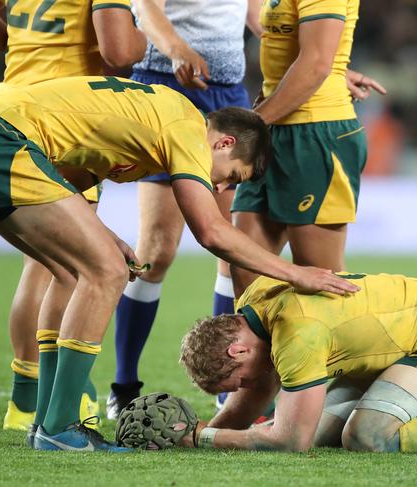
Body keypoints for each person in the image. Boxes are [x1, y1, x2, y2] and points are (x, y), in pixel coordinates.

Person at [0, 75, 358, 451]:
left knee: (69, 272)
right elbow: (210, 232)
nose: (220, 185)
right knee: (107, 272)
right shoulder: (190, 129)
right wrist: (294, 272)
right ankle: (61, 426)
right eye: (232, 176)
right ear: (224, 143)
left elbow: (66, 175)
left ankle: (45, 422)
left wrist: (104, 237)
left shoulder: (153, 128)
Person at [0, 0, 147, 432]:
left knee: (43, 268)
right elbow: (120, 53)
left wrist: (30, 47)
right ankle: (57, 396)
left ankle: (26, 398)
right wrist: (143, 38)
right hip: (64, 120)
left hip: (9, 106)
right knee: (72, 270)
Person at [179, 272, 417, 452]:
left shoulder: (297, 334)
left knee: (365, 436)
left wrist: (204, 436)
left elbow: (290, 442)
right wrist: (196, 435)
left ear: (237, 350)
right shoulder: (255, 302)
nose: (247, 389)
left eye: (238, 381)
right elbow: (269, 402)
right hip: (398, 349)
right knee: (310, 428)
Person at [106, 0, 264, 419]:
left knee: (232, 252)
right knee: (157, 251)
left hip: (227, 90)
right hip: (166, 83)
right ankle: (124, 384)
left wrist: (330, 69)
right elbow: (143, 6)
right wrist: (175, 48)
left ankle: (229, 385)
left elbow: (259, 15)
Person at [230, 0, 386, 299]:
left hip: (315, 132)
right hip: (273, 125)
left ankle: (341, 344)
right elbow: (284, 35)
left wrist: (251, 126)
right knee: (247, 271)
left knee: (321, 281)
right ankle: (268, 347)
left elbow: (315, 65)